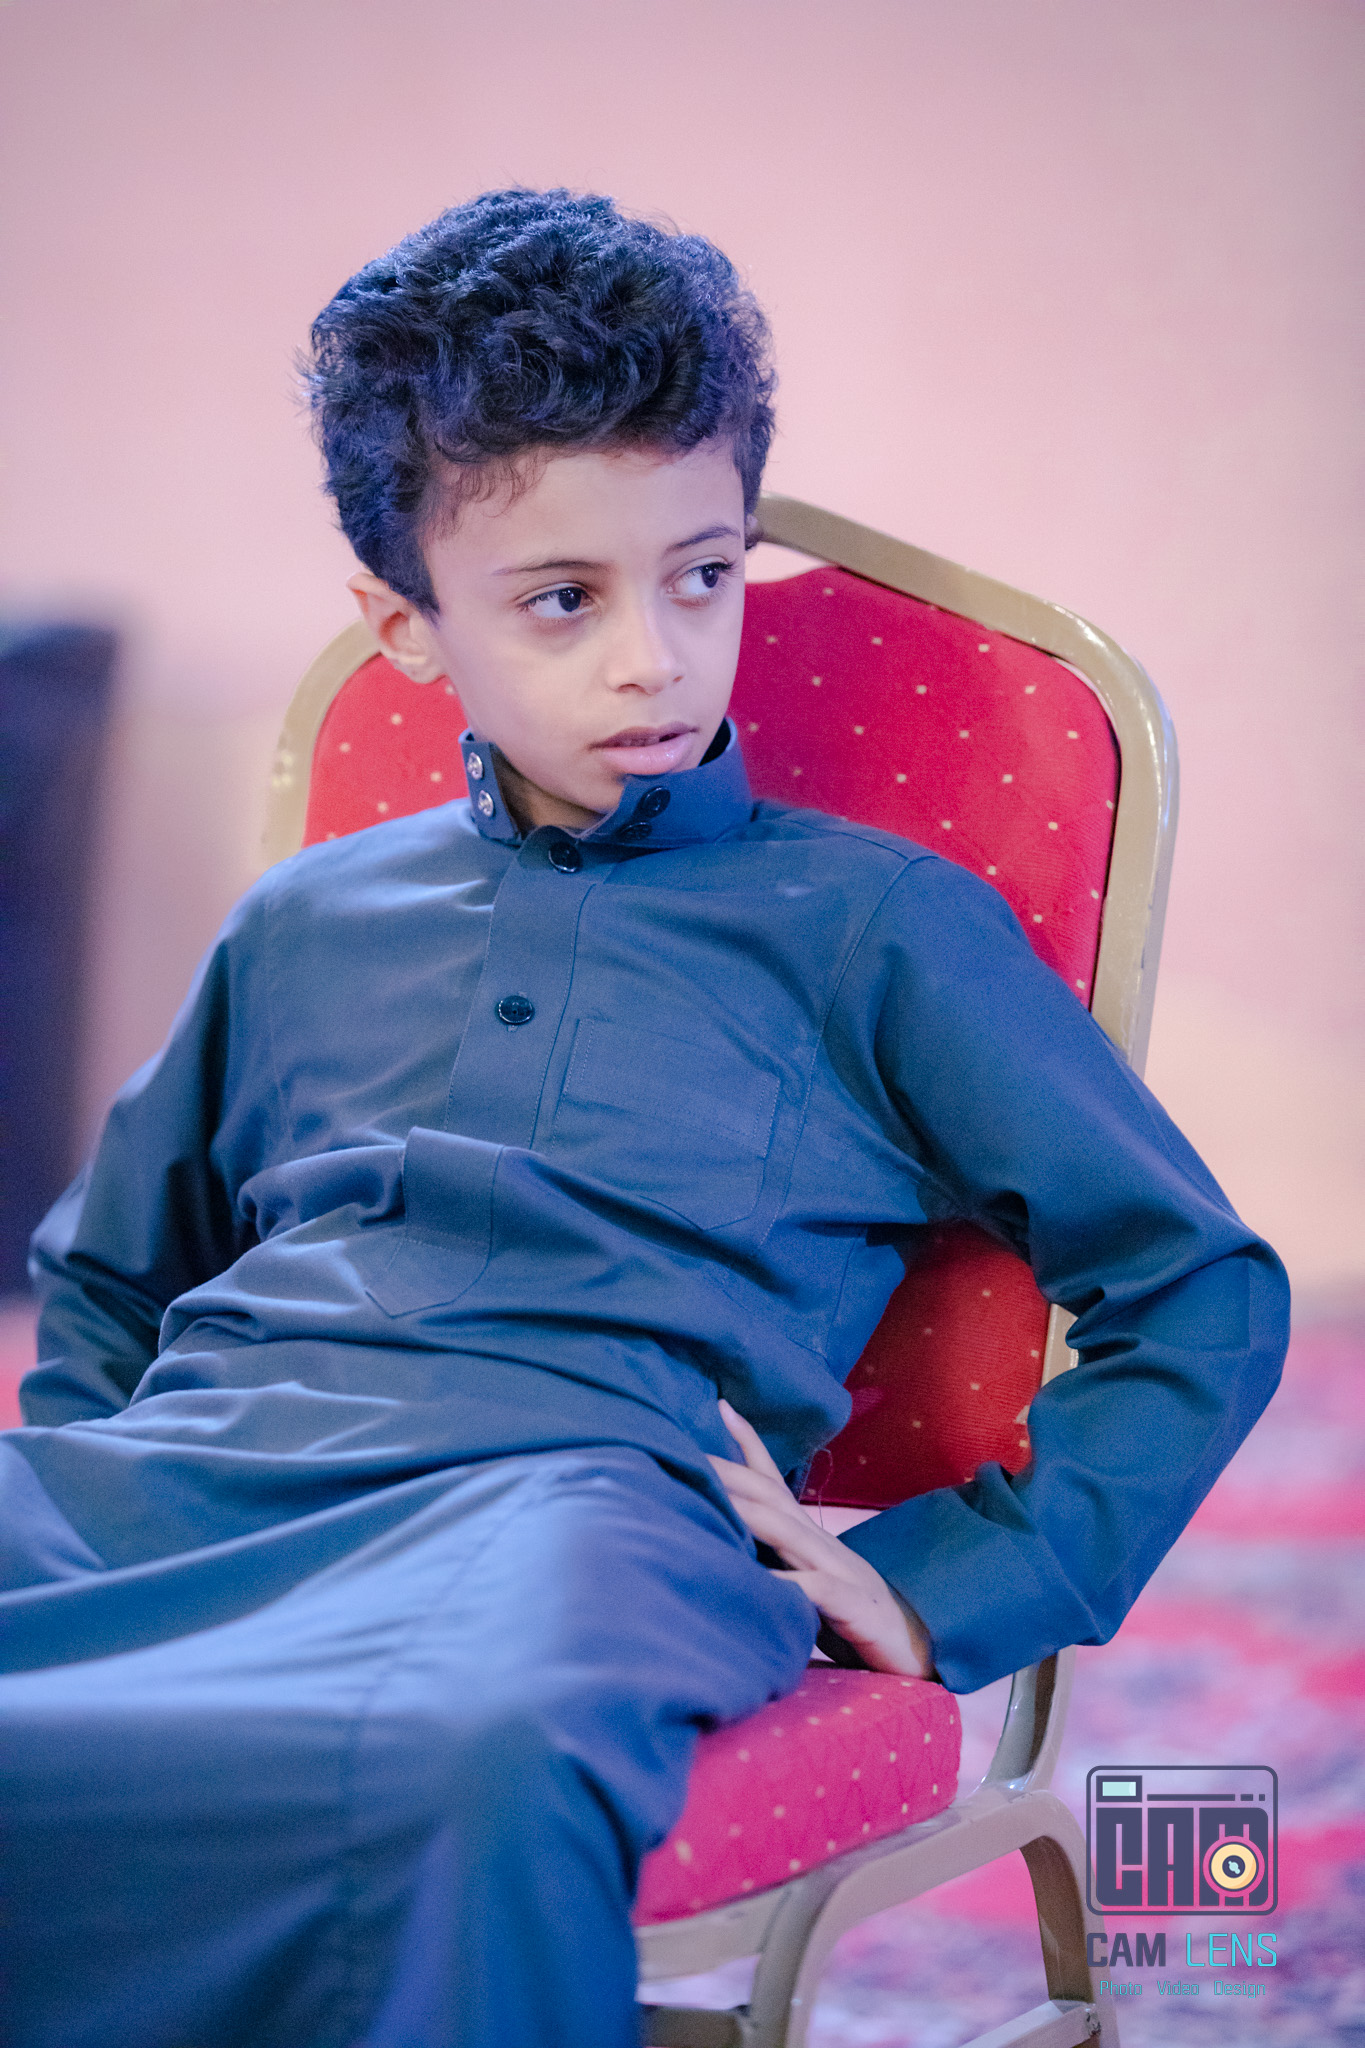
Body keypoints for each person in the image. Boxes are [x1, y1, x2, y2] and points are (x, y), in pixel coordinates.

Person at [0, 189, 1288, 2048]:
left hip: (578, 1516)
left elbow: (1198, 1283)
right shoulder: (303, 921)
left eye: (700, 576)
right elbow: (116, 1280)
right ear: (405, 626)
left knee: (469, 1753)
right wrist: (113, 1518)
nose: (653, 658)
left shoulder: (877, 926)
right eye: (562, 599)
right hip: (208, 1470)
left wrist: (960, 1581)